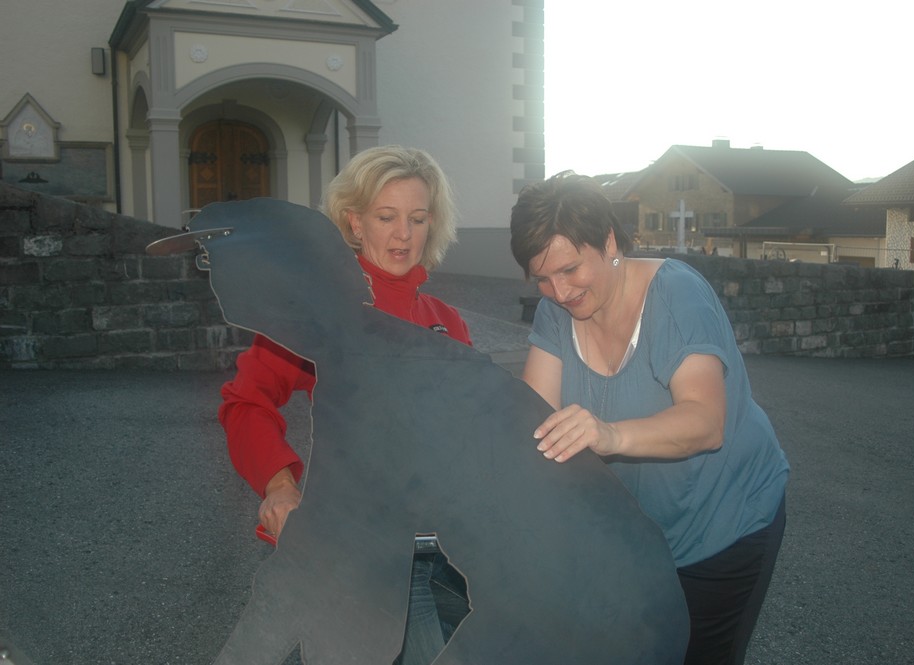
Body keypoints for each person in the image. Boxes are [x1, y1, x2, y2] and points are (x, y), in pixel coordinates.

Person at [509, 172, 789, 665]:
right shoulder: (557, 310)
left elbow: (705, 422)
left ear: (609, 242)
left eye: (570, 269)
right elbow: (533, 422)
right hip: (636, 534)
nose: (560, 291)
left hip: (723, 522)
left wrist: (608, 434)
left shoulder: (676, 297)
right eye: (543, 278)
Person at [219, 145, 471, 665]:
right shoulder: (316, 312)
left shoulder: (446, 320)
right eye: (386, 217)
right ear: (355, 223)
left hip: (445, 554)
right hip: (353, 555)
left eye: (417, 218)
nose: (403, 234)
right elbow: (246, 402)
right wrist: (279, 485)